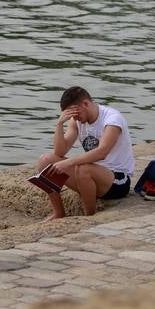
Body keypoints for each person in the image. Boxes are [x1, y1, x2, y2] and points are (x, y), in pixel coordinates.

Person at [36, 86, 135, 219]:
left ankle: (89, 217)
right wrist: (59, 124)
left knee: (83, 169)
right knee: (45, 160)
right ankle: (59, 213)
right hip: (91, 178)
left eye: (76, 113)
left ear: (85, 104)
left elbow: (102, 152)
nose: (75, 118)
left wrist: (68, 162)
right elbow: (60, 151)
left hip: (117, 180)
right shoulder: (77, 121)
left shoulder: (112, 119)